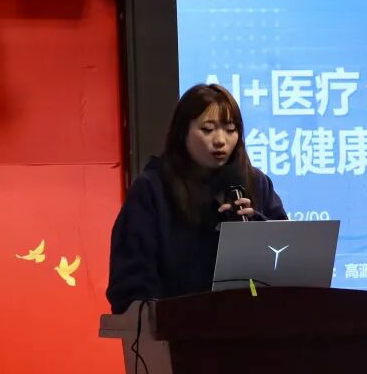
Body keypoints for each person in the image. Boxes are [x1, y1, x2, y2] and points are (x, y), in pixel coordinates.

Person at [106, 83, 288, 314]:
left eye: (230, 130)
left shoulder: (255, 182)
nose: (220, 140)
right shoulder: (152, 188)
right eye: (207, 129)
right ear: (182, 133)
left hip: (253, 321)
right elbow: (130, 282)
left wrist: (257, 227)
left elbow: (287, 256)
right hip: (177, 325)